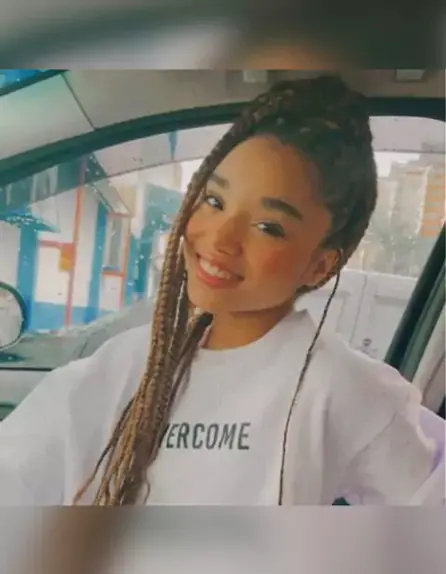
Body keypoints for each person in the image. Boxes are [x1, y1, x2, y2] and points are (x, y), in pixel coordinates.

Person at [0, 75, 444, 507]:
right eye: (214, 201)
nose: (220, 239)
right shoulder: (127, 365)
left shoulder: (344, 388)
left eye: (268, 227)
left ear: (320, 265)